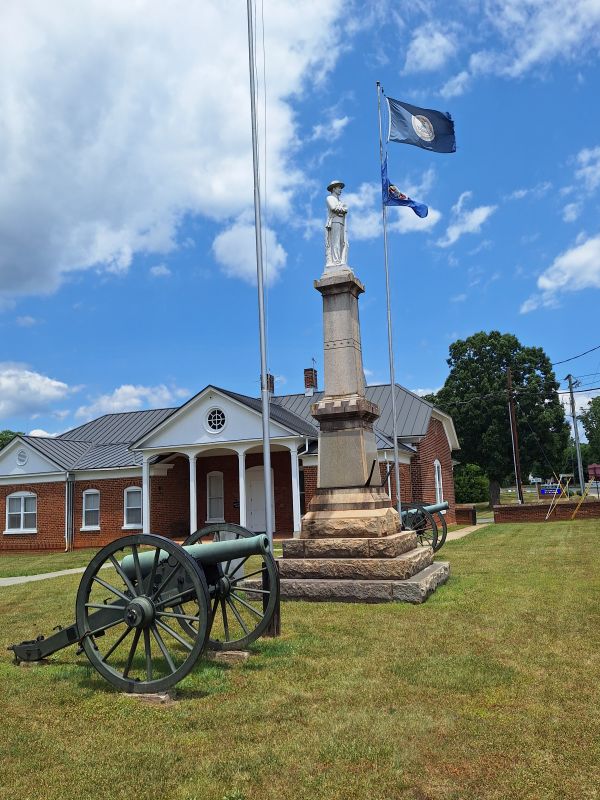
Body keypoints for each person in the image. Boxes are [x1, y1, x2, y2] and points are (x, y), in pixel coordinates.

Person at [325, 180, 349, 268]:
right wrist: (343, 209)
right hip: (334, 221)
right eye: (339, 187)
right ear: (334, 188)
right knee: (335, 242)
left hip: (341, 222)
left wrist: (342, 209)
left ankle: (341, 260)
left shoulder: (339, 201)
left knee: (343, 242)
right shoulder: (330, 198)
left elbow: (341, 209)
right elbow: (334, 208)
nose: (340, 189)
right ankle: (336, 261)